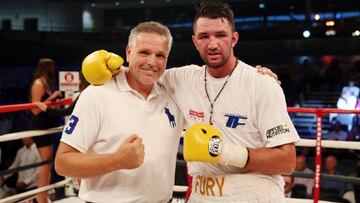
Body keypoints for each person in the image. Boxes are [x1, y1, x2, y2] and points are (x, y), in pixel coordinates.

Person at [82, 1, 299, 202]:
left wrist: (223, 152)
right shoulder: (182, 79)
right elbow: (145, 71)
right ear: (195, 41)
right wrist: (110, 67)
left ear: (234, 38)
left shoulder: (261, 85)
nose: (212, 44)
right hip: (201, 195)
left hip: (253, 195)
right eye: (204, 36)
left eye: (221, 35)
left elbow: (287, 161)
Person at [55, 21, 186, 202]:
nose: (152, 62)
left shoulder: (174, 95)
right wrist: (117, 160)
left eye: (160, 55)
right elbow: (63, 163)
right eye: (144, 52)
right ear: (128, 52)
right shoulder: (96, 94)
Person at [29, 58, 62, 203]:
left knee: (47, 164)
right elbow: (35, 109)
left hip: (48, 126)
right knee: (45, 164)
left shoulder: (46, 84)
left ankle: (43, 195)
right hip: (40, 127)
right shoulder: (38, 83)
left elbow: (46, 106)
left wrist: (53, 103)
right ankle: (41, 197)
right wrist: (52, 98)